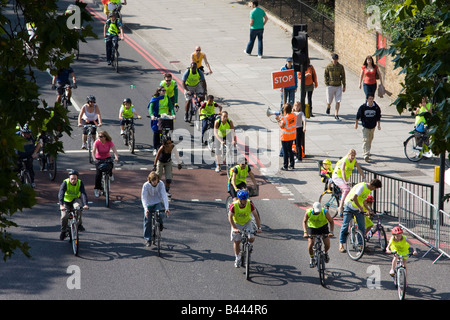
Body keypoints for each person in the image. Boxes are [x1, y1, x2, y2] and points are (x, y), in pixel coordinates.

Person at [338, 178, 382, 253]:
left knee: (362, 226)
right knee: (345, 225)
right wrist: (360, 207)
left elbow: (363, 200)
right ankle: (341, 244)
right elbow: (354, 198)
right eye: (375, 188)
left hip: (357, 208)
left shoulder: (368, 189)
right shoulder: (362, 187)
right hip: (349, 206)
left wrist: (368, 210)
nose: (374, 190)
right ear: (373, 186)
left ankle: (360, 245)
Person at [228, 189, 262, 268]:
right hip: (237, 223)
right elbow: (230, 217)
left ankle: (249, 247)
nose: (246, 200)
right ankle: (237, 258)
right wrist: (234, 228)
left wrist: (259, 227)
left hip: (247, 222)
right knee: (237, 241)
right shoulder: (234, 205)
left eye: (246, 198)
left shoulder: (250, 203)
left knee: (252, 237)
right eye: (244, 199)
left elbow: (256, 215)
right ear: (239, 199)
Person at [332, 149, 365, 215]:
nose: (353, 157)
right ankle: (340, 207)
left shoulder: (354, 160)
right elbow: (343, 170)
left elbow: (359, 169)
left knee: (351, 191)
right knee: (346, 189)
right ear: (348, 155)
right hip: (337, 177)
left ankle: (344, 205)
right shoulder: (345, 160)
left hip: (343, 178)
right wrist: (345, 181)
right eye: (352, 155)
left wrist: (364, 177)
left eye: (354, 156)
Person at [141, 171, 170, 247]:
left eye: (156, 181)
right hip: (149, 204)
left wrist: (167, 208)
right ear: (150, 180)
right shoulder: (146, 186)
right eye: (153, 181)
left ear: (158, 180)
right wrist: (146, 209)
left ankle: (160, 223)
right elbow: (144, 198)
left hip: (157, 202)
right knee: (147, 221)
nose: (154, 182)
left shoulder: (161, 184)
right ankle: (148, 239)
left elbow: (164, 195)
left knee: (161, 214)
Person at [58, 170, 89, 240]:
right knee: (64, 216)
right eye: (72, 179)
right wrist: (61, 205)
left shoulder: (80, 182)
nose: (73, 180)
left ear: (77, 178)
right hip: (66, 201)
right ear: (69, 178)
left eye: (75, 179)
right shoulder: (65, 183)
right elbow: (61, 193)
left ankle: (79, 224)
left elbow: (83, 193)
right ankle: (63, 231)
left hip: (75, 199)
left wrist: (85, 204)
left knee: (78, 208)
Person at [302, 202, 334, 267]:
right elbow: (304, 221)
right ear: (313, 208)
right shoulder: (308, 212)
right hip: (312, 228)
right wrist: (305, 232)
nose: (318, 213)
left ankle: (325, 253)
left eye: (319, 211)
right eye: (316, 211)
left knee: (327, 244)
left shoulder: (324, 211)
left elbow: (331, 221)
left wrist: (331, 232)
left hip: (323, 227)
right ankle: (312, 258)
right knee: (310, 244)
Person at [148, 86, 176, 153]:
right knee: (156, 132)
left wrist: (173, 114)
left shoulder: (166, 97)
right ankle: (155, 148)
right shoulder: (154, 98)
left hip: (165, 117)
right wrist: (152, 115)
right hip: (157, 117)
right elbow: (150, 108)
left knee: (167, 130)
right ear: (159, 91)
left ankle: (166, 146)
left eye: (165, 90)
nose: (164, 92)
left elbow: (171, 107)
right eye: (163, 90)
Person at [92, 130, 119, 198]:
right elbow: (93, 151)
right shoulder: (97, 142)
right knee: (98, 174)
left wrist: (116, 157)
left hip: (107, 157)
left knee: (110, 164)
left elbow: (114, 150)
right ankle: (97, 189)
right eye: (98, 136)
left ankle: (110, 174)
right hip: (99, 158)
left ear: (105, 137)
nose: (99, 138)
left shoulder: (109, 142)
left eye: (101, 136)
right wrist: (94, 159)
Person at [355, 94, 381, 162]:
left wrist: (379, 125)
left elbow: (378, 116)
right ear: (367, 99)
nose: (371, 100)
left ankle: (368, 150)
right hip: (365, 126)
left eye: (372, 98)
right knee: (365, 139)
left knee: (370, 139)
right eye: (369, 99)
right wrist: (356, 123)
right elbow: (358, 115)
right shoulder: (363, 107)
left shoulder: (376, 107)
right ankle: (365, 154)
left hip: (372, 126)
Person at [324, 53, 346, 120]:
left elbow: (343, 76)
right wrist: (326, 83)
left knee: (338, 100)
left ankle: (336, 114)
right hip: (330, 85)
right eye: (334, 59)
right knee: (329, 100)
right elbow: (326, 75)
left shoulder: (340, 67)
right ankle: (328, 106)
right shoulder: (329, 66)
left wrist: (344, 85)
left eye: (336, 59)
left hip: (338, 85)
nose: (335, 60)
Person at [276, 103, 297, 171]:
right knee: (290, 150)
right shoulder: (294, 115)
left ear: (284, 110)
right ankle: (292, 165)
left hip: (285, 137)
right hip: (292, 136)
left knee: (285, 152)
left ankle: (285, 166)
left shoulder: (284, 118)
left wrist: (278, 119)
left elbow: (281, 125)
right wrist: (285, 108)